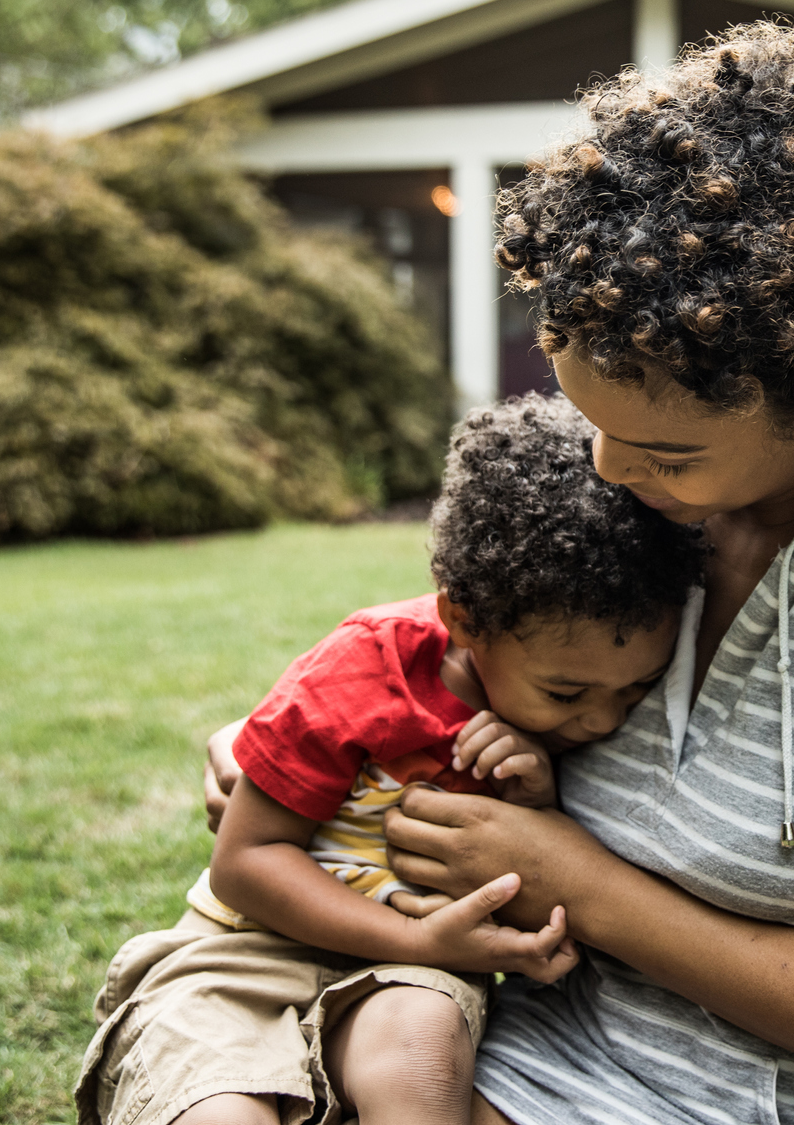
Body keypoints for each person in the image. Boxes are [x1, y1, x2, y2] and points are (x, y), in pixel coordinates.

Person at [209, 21, 794, 1125]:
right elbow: (474, 639)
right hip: (520, 1054)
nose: (608, 468)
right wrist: (295, 738)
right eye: (593, 422)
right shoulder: (655, 482)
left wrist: (588, 888)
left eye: (663, 450)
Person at [82, 395, 708, 1125]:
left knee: (415, 1071)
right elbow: (245, 863)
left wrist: (536, 795)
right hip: (246, 951)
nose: (602, 719)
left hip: (414, 973)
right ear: (465, 620)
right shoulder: (364, 669)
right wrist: (415, 935)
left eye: (634, 688)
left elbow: (538, 865)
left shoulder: (555, 720)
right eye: (566, 691)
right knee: (218, 1112)